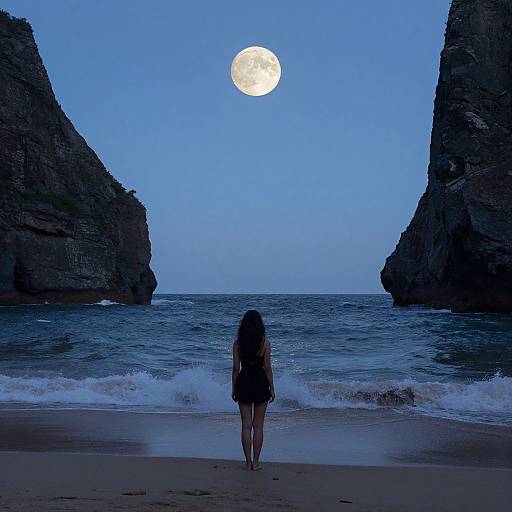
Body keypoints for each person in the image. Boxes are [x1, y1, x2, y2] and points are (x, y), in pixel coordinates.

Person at [232, 309, 275, 470]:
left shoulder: (237, 344)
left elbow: (236, 369)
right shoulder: (265, 343)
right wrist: (272, 387)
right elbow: (267, 368)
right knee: (258, 425)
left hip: (243, 382)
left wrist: (233, 388)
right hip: (260, 383)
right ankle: (256, 462)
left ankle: (247, 462)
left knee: (245, 426)